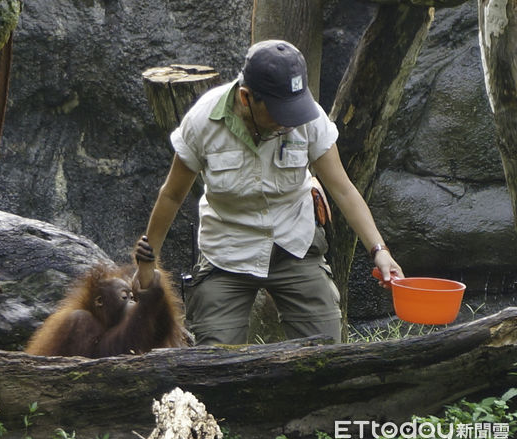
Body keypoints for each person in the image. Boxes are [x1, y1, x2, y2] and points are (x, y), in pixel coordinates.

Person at [135, 40, 403, 345]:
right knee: (214, 363)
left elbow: (342, 189)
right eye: (281, 112)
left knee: (327, 354)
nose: (291, 122)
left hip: (294, 243)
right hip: (227, 250)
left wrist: (380, 251)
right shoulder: (202, 121)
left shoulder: (308, 117)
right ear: (246, 97)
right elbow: (171, 195)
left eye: (295, 110)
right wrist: (148, 264)